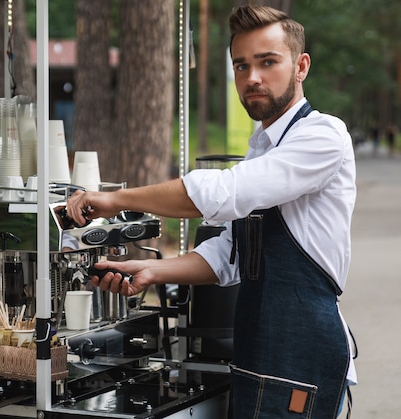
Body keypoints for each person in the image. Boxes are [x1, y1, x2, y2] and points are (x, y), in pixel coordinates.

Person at [66, 5, 356, 418]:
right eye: (241, 65)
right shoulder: (262, 146)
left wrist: (116, 199)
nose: (252, 77)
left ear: (301, 66)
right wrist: (151, 271)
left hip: (303, 352)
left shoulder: (323, 136)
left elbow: (222, 193)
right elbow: (231, 255)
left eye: (268, 62)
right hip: (257, 350)